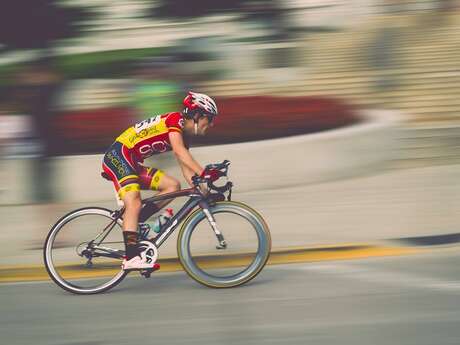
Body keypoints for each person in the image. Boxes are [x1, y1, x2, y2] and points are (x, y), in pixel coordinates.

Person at [102, 91, 221, 271]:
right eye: (209, 119)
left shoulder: (184, 135)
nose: (211, 124)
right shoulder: (175, 121)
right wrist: (205, 172)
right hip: (118, 156)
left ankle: (137, 222)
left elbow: (186, 166)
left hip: (131, 162)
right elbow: (180, 153)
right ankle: (131, 258)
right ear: (197, 115)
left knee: (173, 185)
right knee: (133, 202)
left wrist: (204, 191)